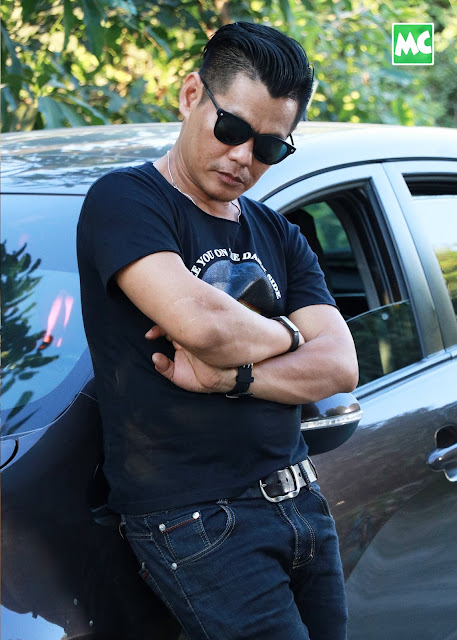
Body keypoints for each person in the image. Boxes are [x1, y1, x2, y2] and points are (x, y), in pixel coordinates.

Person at [77, 21, 358, 640]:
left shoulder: (277, 230)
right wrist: (292, 335)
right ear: (190, 96)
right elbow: (201, 325)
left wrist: (237, 376)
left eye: (269, 147)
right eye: (231, 129)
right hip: (198, 521)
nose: (242, 157)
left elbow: (341, 366)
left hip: (303, 501)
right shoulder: (126, 201)